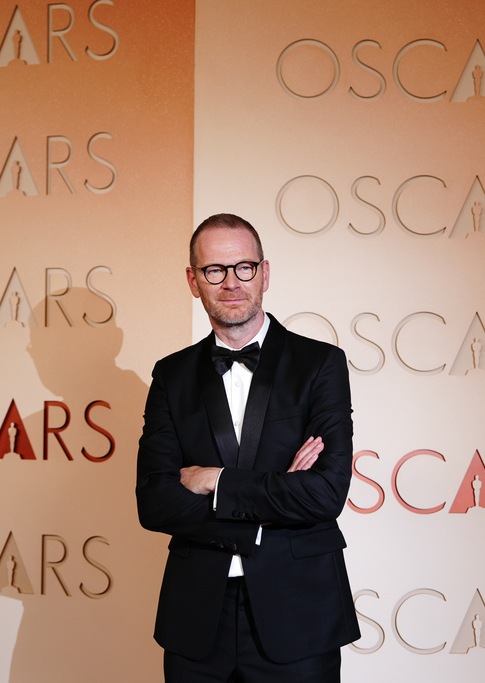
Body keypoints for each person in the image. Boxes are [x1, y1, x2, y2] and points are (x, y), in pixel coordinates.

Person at [136, 213, 360, 682]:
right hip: (196, 622)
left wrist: (213, 481)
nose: (232, 282)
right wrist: (275, 495)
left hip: (299, 615)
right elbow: (155, 503)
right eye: (214, 270)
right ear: (193, 281)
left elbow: (324, 494)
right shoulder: (171, 376)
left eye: (245, 267)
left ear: (265, 273)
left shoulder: (321, 364)